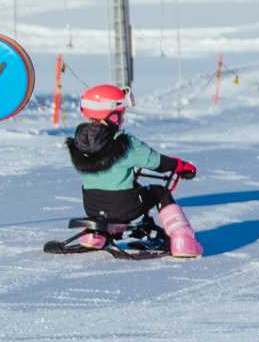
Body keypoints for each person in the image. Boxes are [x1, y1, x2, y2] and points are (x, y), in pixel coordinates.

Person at [66, 84, 203, 258]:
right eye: (121, 113)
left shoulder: (79, 143)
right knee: (159, 192)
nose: (122, 118)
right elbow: (156, 162)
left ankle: (97, 233)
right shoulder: (125, 143)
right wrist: (181, 166)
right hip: (124, 207)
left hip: (91, 205)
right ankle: (182, 239)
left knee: (115, 186)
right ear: (113, 116)